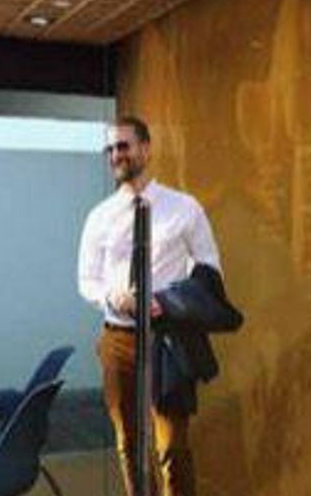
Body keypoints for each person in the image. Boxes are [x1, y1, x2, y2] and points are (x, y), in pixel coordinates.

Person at [78, 116, 222, 496]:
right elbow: (87, 280)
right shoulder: (100, 217)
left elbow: (209, 269)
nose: (116, 155)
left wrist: (168, 301)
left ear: (146, 148)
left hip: (167, 341)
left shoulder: (184, 208)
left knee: (171, 447)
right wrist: (113, 297)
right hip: (118, 341)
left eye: (123, 146)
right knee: (128, 444)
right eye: (110, 148)